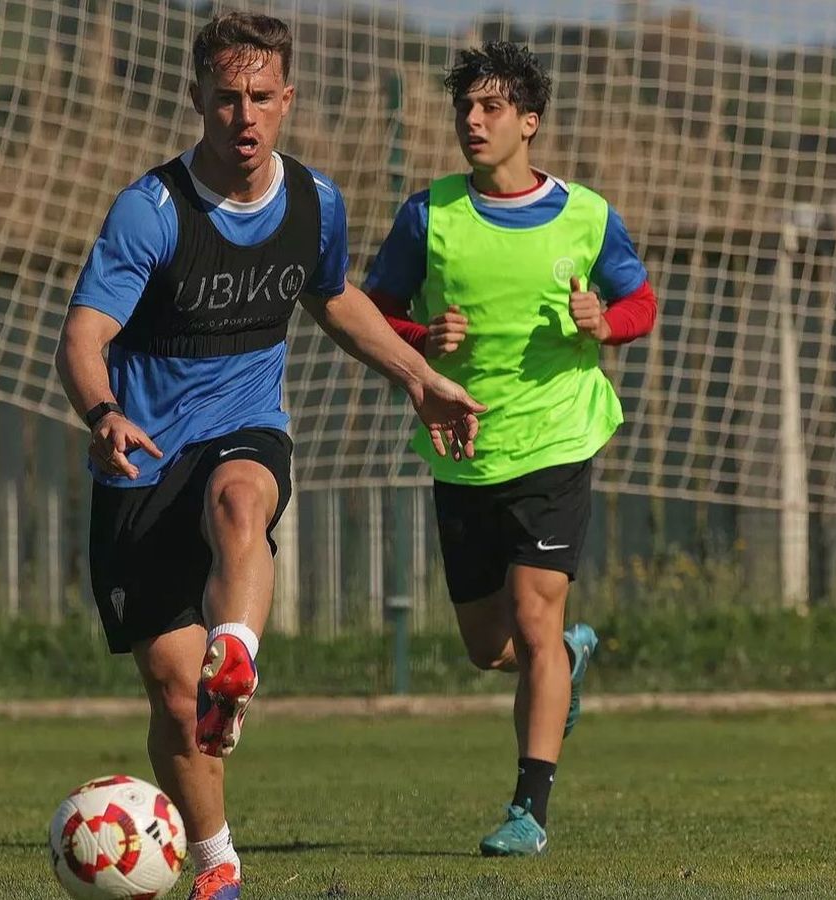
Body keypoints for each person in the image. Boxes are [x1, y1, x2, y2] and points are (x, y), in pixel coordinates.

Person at [54, 12, 483, 899]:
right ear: (197, 99)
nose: (243, 117)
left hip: (245, 424)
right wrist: (102, 412)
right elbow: (82, 337)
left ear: (287, 100)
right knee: (176, 704)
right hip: (139, 461)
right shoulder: (153, 210)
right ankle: (217, 864)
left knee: (242, 501)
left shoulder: (316, 203)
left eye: (260, 98)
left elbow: (334, 300)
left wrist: (416, 376)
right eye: (225, 98)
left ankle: (237, 653)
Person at [365, 41, 658, 857]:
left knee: (533, 621)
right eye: (465, 107)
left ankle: (527, 810)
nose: (473, 120)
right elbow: (369, 313)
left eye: (491, 108)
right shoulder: (429, 215)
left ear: (529, 122)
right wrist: (424, 334)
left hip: (559, 437)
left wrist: (607, 323)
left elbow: (638, 301)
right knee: (489, 647)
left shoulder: (587, 214)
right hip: (463, 448)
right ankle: (565, 659)